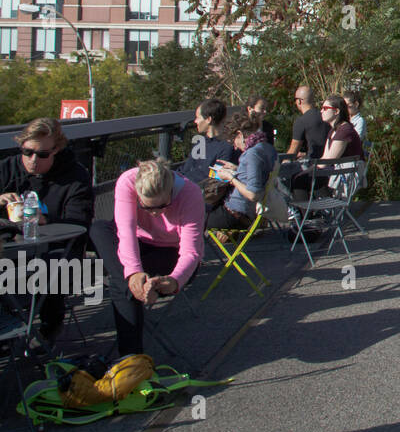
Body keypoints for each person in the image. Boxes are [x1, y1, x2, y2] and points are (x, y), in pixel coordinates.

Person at [89, 159, 204, 357]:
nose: (156, 213)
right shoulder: (127, 182)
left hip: (169, 252)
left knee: (119, 282)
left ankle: (131, 358)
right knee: (99, 229)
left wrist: (174, 280)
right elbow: (125, 233)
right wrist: (134, 274)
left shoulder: (190, 194)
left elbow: (190, 252)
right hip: (138, 244)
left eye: (162, 206)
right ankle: (133, 358)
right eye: (147, 207)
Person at [0, 117, 93, 341]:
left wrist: (43, 220)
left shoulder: (75, 177)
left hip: (55, 251)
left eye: (42, 154)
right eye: (27, 151)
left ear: (56, 150)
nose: (33, 160)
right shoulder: (7, 169)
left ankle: (50, 328)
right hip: (9, 247)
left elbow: (78, 224)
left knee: (48, 267)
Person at [206, 115, 279, 236]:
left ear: (240, 134)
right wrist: (237, 169)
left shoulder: (252, 155)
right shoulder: (263, 150)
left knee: (190, 214)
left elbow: (252, 194)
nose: (234, 146)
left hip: (235, 215)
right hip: (242, 213)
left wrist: (230, 178)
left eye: (233, 140)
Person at [175, 98, 237, 187]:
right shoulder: (200, 142)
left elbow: (215, 179)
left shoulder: (226, 147)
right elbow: (186, 168)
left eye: (198, 117)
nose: (195, 121)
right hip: (185, 187)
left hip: (199, 193)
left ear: (208, 119)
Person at [286, 85, 329, 160]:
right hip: (330, 163)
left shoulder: (301, 121)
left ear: (299, 101)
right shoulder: (326, 117)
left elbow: (293, 151)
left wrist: (283, 164)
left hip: (313, 166)